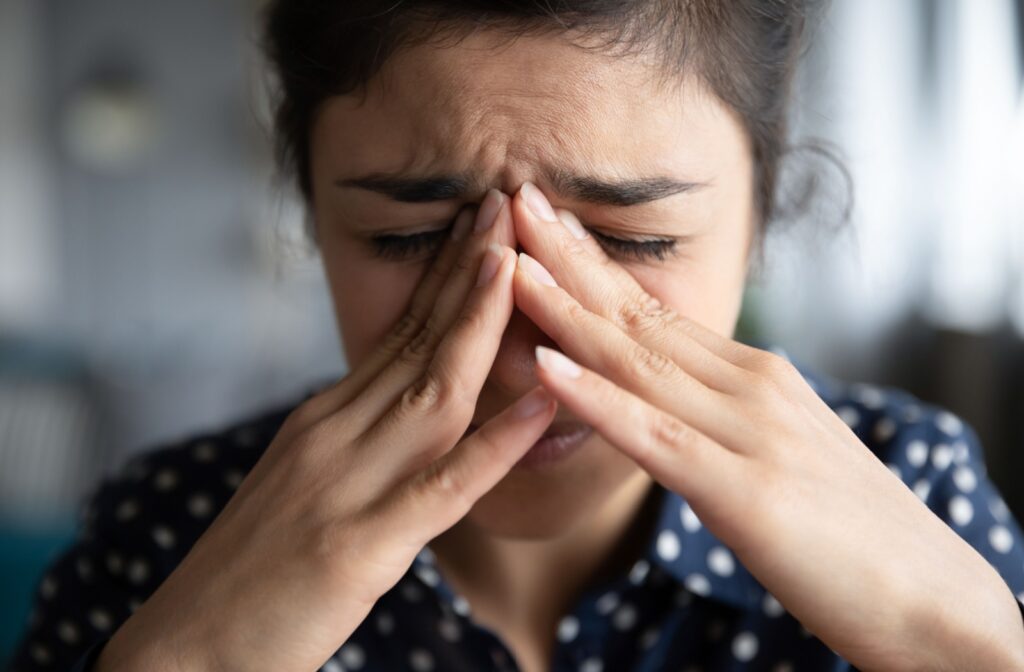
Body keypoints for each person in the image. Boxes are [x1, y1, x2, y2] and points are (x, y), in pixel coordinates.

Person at [8, 1, 1024, 671]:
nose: (524, 342)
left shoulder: (912, 488)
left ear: (759, 215)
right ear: (312, 217)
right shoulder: (165, 537)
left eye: (632, 239)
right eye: (409, 239)